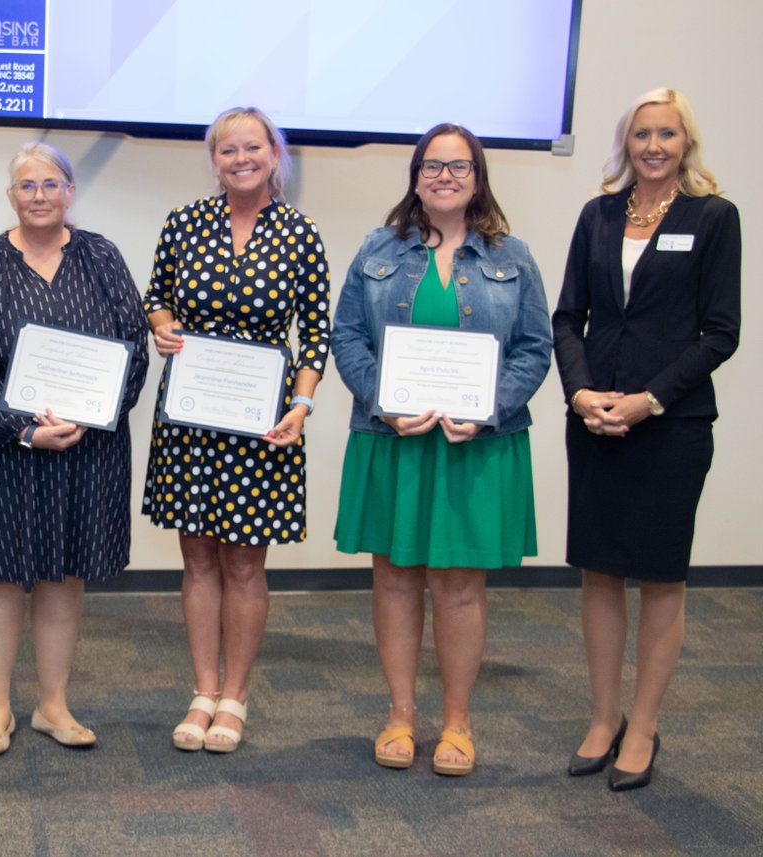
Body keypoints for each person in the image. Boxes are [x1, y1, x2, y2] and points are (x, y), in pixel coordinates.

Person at [332, 123, 552, 776]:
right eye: (432, 165)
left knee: (459, 586)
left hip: (472, 447)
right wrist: (384, 401)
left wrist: (487, 410)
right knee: (395, 578)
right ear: (416, 176)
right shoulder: (377, 248)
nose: (445, 176)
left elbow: (535, 347)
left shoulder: (514, 256)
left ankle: (457, 721)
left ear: (478, 177)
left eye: (458, 166)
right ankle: (400, 714)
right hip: (394, 440)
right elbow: (347, 337)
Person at [553, 88, 740, 791]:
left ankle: (646, 724)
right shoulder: (598, 215)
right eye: (641, 134)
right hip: (595, 420)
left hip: (672, 426)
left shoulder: (713, 217)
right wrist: (581, 393)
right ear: (625, 143)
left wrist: (649, 400)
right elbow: (568, 318)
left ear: (686, 142)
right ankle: (605, 718)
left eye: (667, 134)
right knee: (599, 572)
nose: (654, 146)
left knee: (661, 576)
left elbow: (720, 333)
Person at [0, 142, 148, 757]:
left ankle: (52, 705)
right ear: (11, 197)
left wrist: (94, 415)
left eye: (51, 184)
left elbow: (133, 344)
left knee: (64, 576)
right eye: (27, 186)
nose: (39, 196)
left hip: (85, 446)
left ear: (70, 192)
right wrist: (22, 429)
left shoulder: (101, 256)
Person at [145, 107, 331, 753]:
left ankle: (235, 694)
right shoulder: (183, 222)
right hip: (193, 415)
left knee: (245, 562)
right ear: (214, 159)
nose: (241, 158)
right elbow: (156, 296)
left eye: (253, 147)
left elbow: (317, 334)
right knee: (198, 556)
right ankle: (202, 690)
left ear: (275, 153)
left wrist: (301, 406)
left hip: (263, 420)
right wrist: (164, 327)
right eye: (228, 149)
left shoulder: (301, 233)